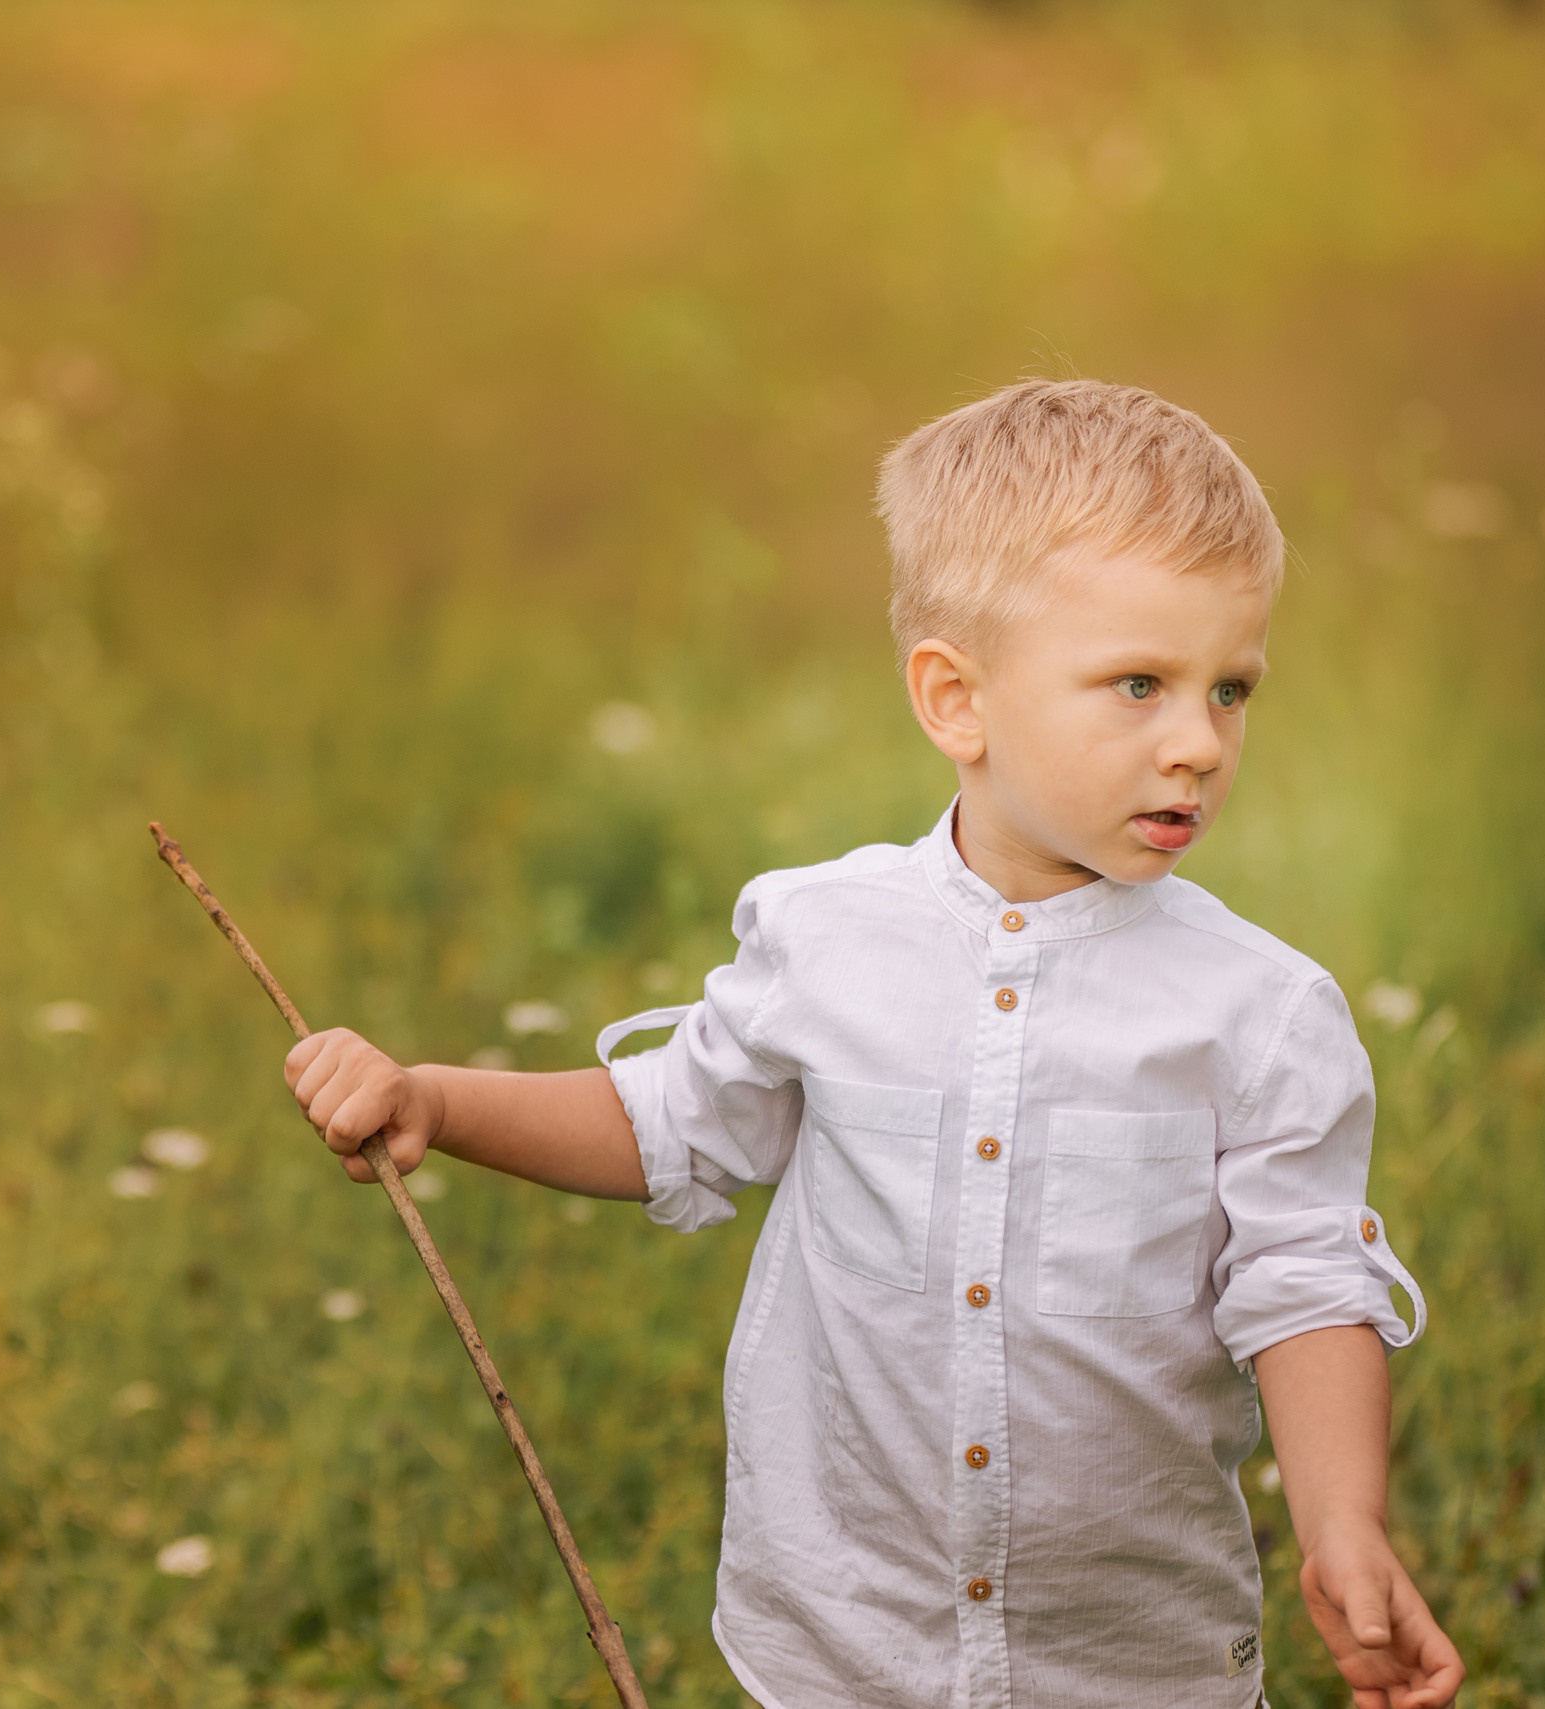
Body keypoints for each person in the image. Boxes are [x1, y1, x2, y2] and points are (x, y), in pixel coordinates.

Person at [284, 379, 1465, 1709]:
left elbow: (1303, 1285)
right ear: (956, 700)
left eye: (1230, 689)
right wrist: (435, 1097)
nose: (1198, 742)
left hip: (1130, 1661)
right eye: (1139, 683)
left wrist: (1343, 1525)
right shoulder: (826, 936)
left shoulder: (1260, 1012)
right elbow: (673, 1119)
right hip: (847, 1645)